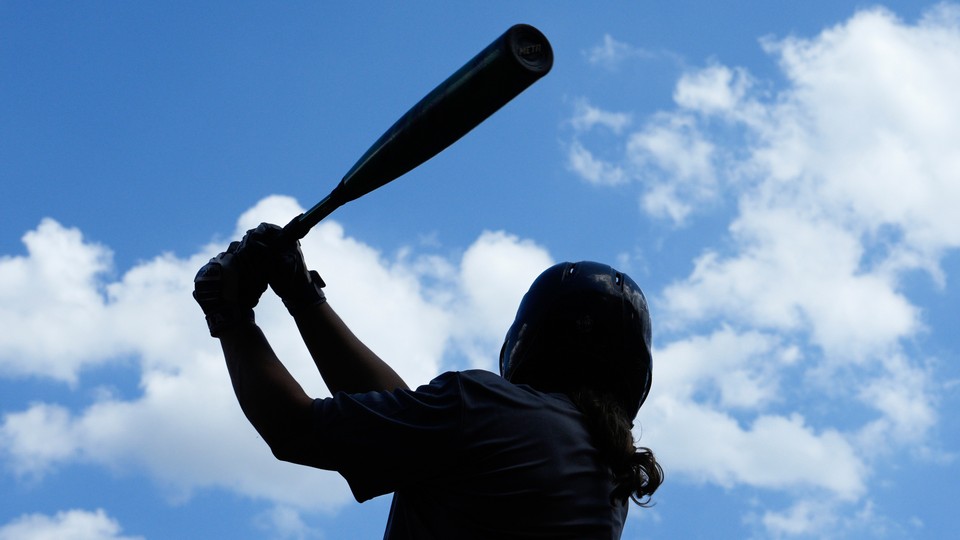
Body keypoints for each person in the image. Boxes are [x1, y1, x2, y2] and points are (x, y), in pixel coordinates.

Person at [193, 223, 663, 539]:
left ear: (529, 338)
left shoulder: (485, 408)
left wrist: (228, 312)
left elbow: (292, 429)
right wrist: (300, 293)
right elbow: (394, 408)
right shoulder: (604, 466)